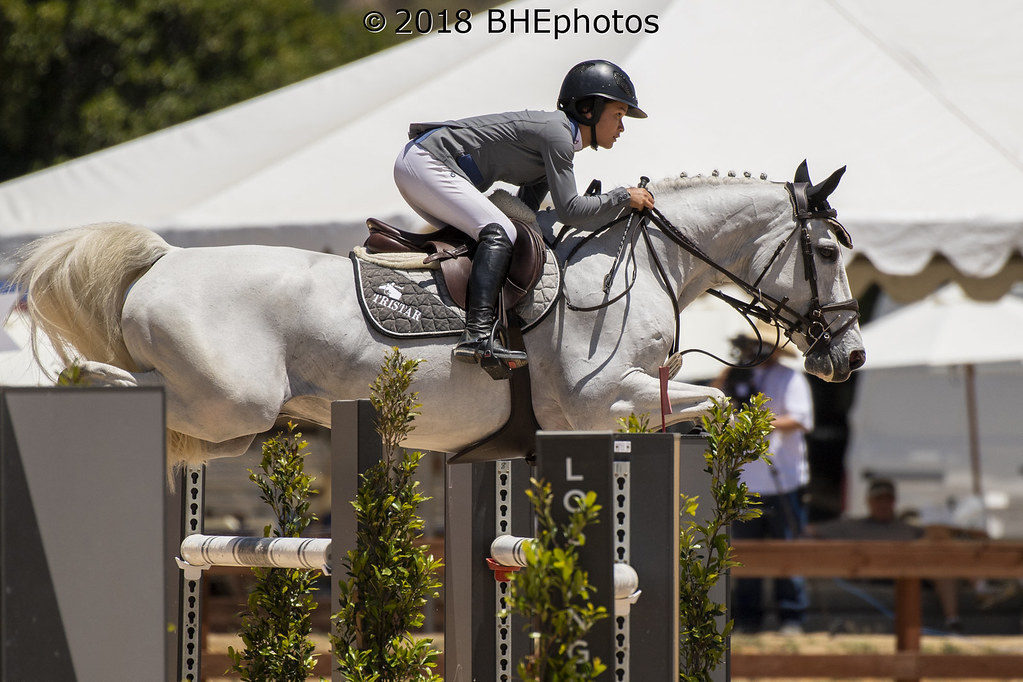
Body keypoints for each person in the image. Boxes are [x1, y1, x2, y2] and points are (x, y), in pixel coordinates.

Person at [393, 59, 655, 374]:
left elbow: (528, 213)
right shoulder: (558, 135)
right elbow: (572, 210)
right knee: (498, 231)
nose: (622, 127)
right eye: (618, 115)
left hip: (423, 164)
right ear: (589, 110)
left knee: (500, 234)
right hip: (429, 162)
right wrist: (622, 196)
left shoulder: (559, 141)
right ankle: (476, 335)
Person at [719, 323, 813, 634]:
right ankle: (748, 617)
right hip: (746, 481)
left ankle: (791, 616)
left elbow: (799, 419)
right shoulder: (737, 378)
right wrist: (727, 378)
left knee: (787, 550)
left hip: (783, 480)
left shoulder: (789, 377)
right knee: (746, 555)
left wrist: (759, 422)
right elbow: (715, 407)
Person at [807, 477, 964, 632]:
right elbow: (810, 531)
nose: (883, 504)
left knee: (942, 562)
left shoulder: (907, 528)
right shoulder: (852, 526)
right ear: (869, 501)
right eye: (878, 499)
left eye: (887, 499)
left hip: (910, 570)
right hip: (871, 572)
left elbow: (937, 538)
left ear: (894, 502)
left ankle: (953, 619)